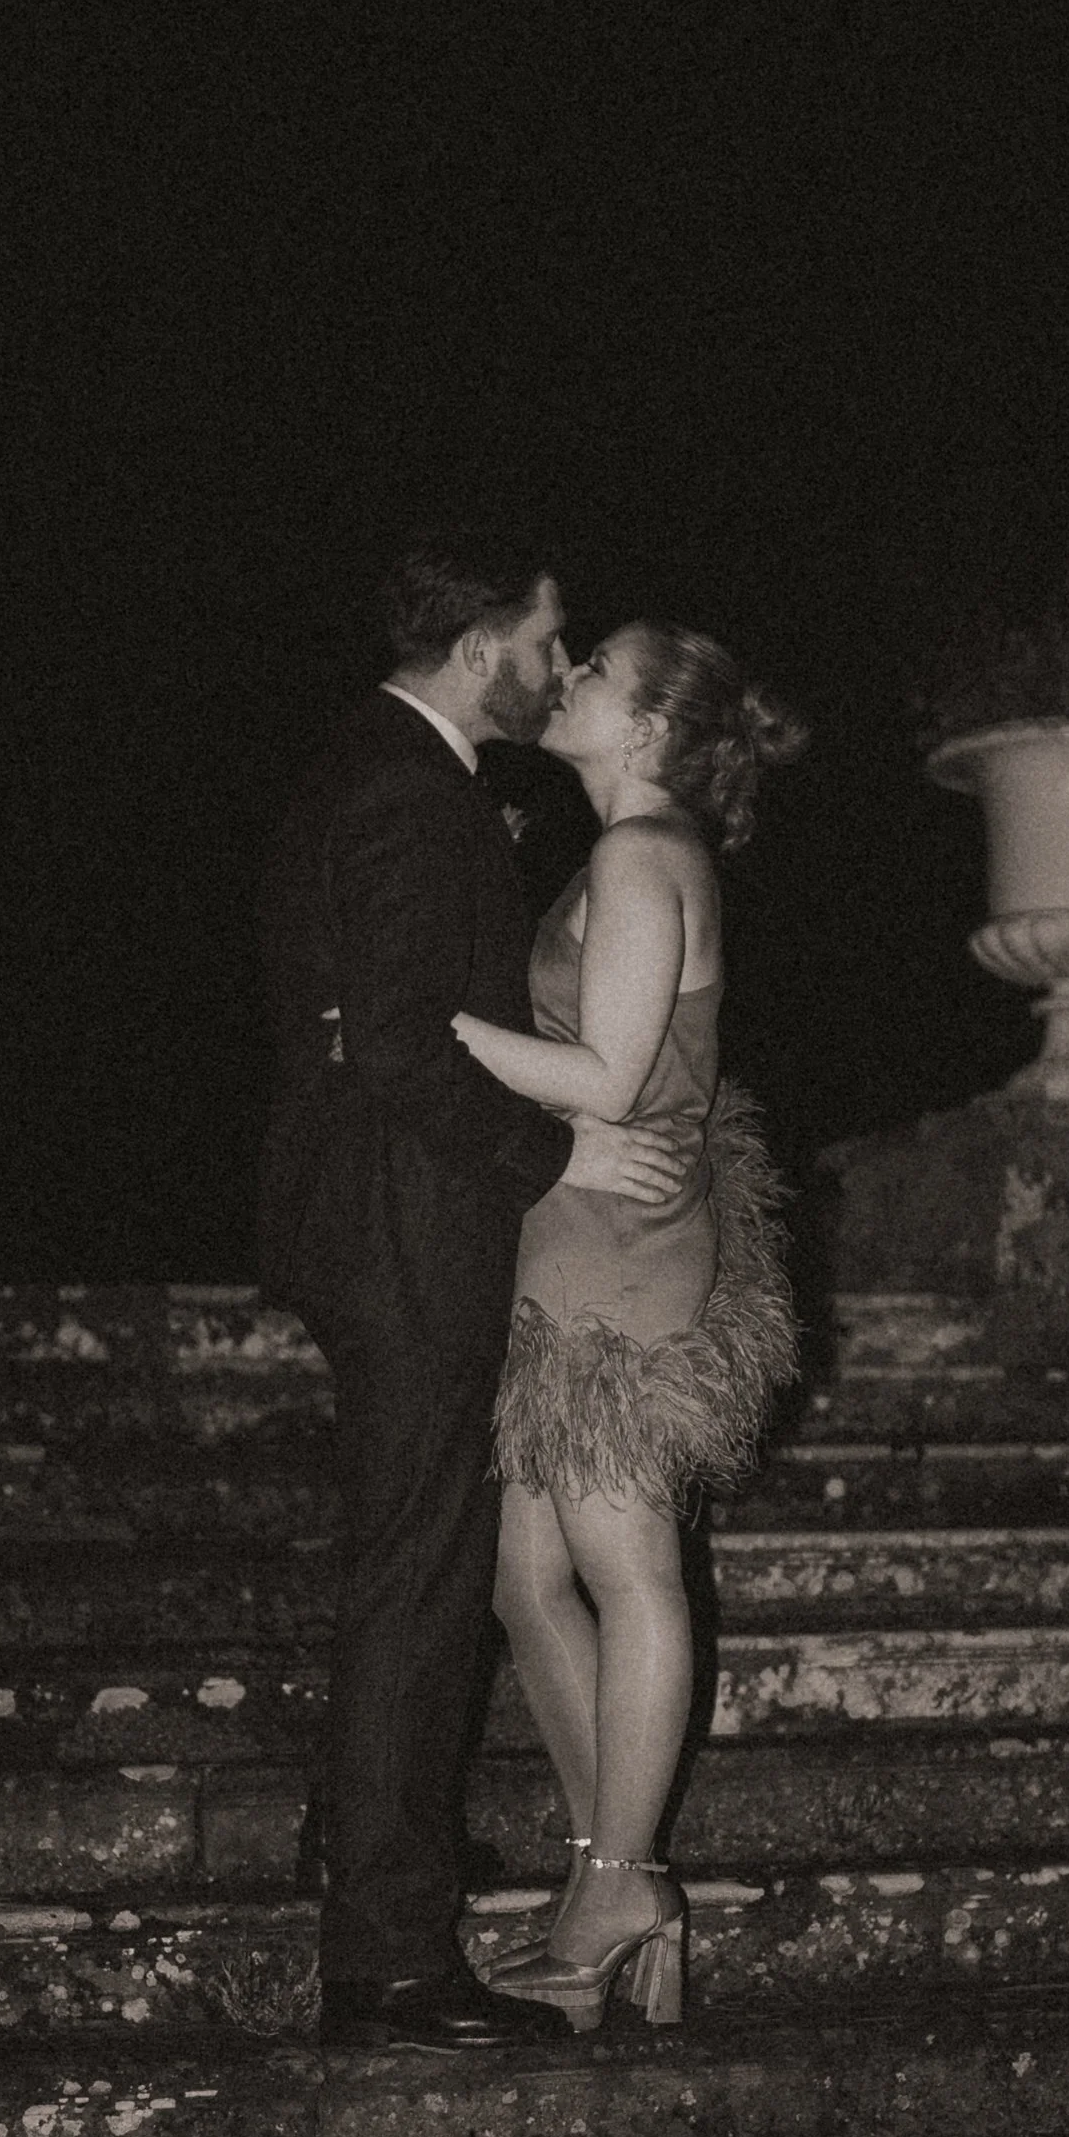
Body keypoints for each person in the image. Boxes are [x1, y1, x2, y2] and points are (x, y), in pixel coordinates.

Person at [256, 538, 695, 2052]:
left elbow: (381, 1008)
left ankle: (377, 1842)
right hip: (404, 1227)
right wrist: (558, 1145)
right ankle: (386, 1954)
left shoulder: (399, 769)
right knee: (422, 1575)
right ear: (479, 646)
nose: (552, 664)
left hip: (397, 1221)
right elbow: (386, 1036)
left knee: (429, 1564)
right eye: (543, 638)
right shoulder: (401, 781)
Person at [448, 621, 804, 2029]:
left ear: (650, 729)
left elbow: (602, 1076)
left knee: (621, 1557)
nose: (572, 678)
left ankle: (613, 1886)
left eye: (596, 668)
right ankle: (626, 1873)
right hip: (582, 1233)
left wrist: (437, 1031)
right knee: (525, 1570)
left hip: (620, 1244)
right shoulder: (631, 849)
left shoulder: (643, 855)